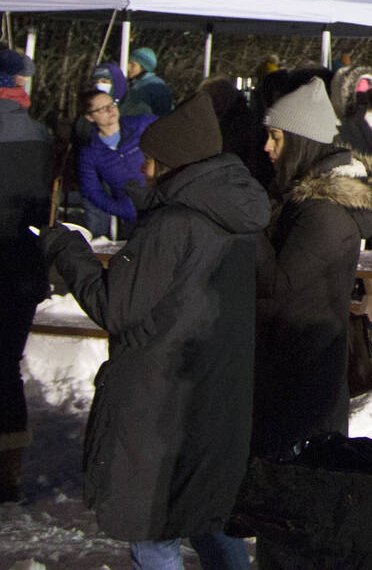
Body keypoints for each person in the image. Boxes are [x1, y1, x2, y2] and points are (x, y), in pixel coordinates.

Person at [43, 94, 270, 570]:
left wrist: (68, 248)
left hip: (159, 396)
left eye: (151, 160)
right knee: (203, 515)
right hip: (210, 392)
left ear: (173, 164)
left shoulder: (173, 225)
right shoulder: (234, 215)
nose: (144, 169)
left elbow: (114, 307)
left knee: (153, 526)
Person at [251, 75, 372, 459]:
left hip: (303, 372)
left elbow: (278, 286)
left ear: (301, 142)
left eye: (277, 138)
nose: (267, 147)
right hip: (295, 362)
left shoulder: (325, 212)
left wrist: (246, 229)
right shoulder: (303, 200)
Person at [1, 51, 51, 503]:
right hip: (17, 267)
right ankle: (8, 472)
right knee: (7, 368)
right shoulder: (37, 134)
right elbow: (40, 212)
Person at [77, 86, 153, 240]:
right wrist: (120, 208)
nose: (111, 110)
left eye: (112, 104)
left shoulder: (141, 124)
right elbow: (91, 190)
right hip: (132, 216)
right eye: (103, 109)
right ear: (90, 117)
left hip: (161, 202)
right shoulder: (90, 153)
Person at [122, 47, 175, 120]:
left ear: (144, 68)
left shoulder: (153, 87)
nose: (127, 68)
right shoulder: (133, 83)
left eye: (132, 65)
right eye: (128, 63)